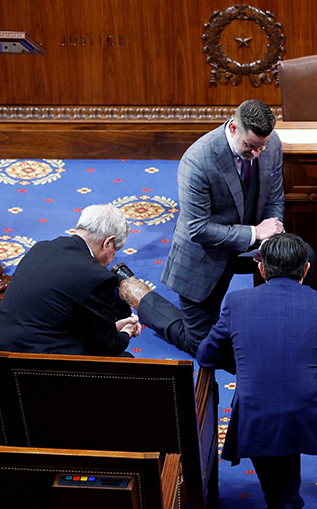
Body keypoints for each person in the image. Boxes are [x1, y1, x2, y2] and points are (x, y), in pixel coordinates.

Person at [195, 233, 317, 509]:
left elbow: (206, 355)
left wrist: (250, 362)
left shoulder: (237, 302)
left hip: (257, 415)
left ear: (262, 269)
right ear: (306, 270)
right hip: (314, 412)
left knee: (280, 490)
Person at [118, 99, 285, 356]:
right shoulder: (197, 160)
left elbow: (274, 198)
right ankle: (138, 295)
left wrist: (268, 240)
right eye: (250, 146)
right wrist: (254, 233)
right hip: (204, 255)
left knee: (304, 254)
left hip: (252, 244)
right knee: (204, 348)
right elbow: (197, 228)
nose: (257, 154)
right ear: (232, 128)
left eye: (261, 146)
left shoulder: (270, 144)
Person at [0, 204, 141, 356]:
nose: (112, 259)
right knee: (125, 362)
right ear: (108, 242)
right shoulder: (97, 276)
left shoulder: (40, 248)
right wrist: (126, 331)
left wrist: (113, 327)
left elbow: (54, 312)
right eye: (116, 249)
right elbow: (108, 346)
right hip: (28, 366)